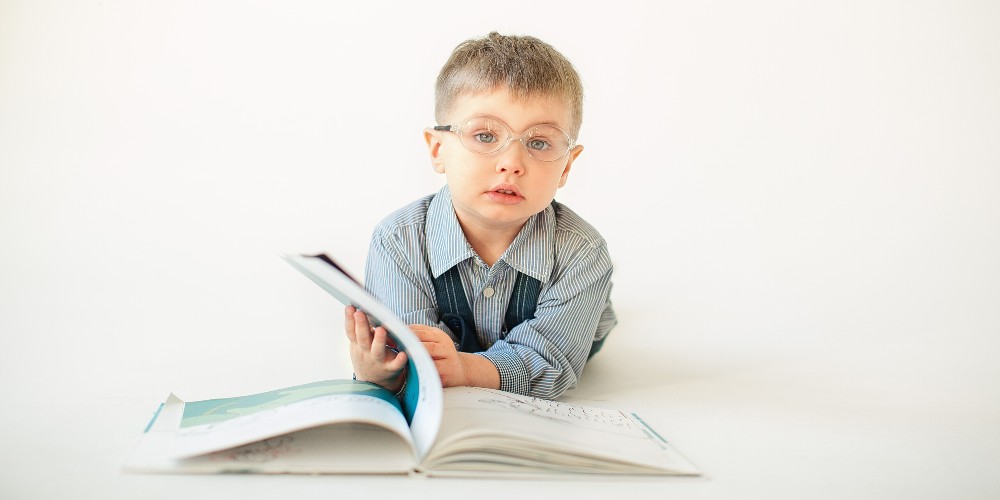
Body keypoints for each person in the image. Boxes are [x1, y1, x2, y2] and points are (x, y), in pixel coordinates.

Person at [344, 32, 616, 400]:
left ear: (566, 165)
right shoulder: (398, 240)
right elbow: (412, 355)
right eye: (486, 136)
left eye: (538, 142)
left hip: (571, 326)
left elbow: (555, 363)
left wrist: (468, 368)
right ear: (439, 149)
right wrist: (382, 370)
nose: (511, 164)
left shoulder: (582, 253)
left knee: (580, 322)